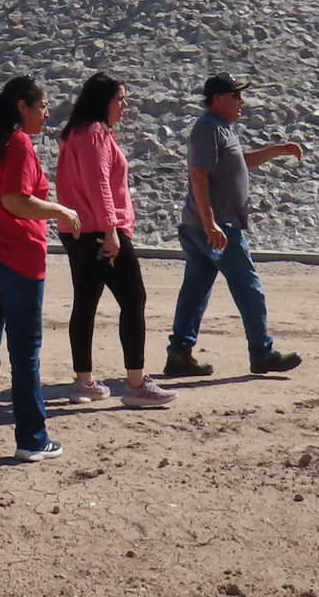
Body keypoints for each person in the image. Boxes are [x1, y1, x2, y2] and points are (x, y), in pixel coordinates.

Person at [0, 75, 78, 461]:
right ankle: (32, 439)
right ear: (23, 106)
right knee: (25, 352)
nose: (47, 113)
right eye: (42, 106)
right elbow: (15, 199)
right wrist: (60, 211)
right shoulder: (19, 142)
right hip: (17, 259)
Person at [164, 72, 306, 378]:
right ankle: (262, 353)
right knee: (249, 289)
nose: (242, 101)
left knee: (196, 291)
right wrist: (211, 223)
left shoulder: (222, 128)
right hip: (218, 229)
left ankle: (179, 355)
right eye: (236, 95)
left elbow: (243, 161)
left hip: (205, 227)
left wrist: (278, 150)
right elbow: (199, 174)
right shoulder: (208, 127)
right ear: (218, 99)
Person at [52, 72, 178, 411]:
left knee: (85, 303)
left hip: (76, 229)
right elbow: (99, 185)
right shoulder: (94, 133)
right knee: (134, 299)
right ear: (102, 101)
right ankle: (136, 384)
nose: (125, 105)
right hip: (98, 230)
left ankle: (84, 381)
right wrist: (111, 230)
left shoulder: (75, 132)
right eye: (120, 99)